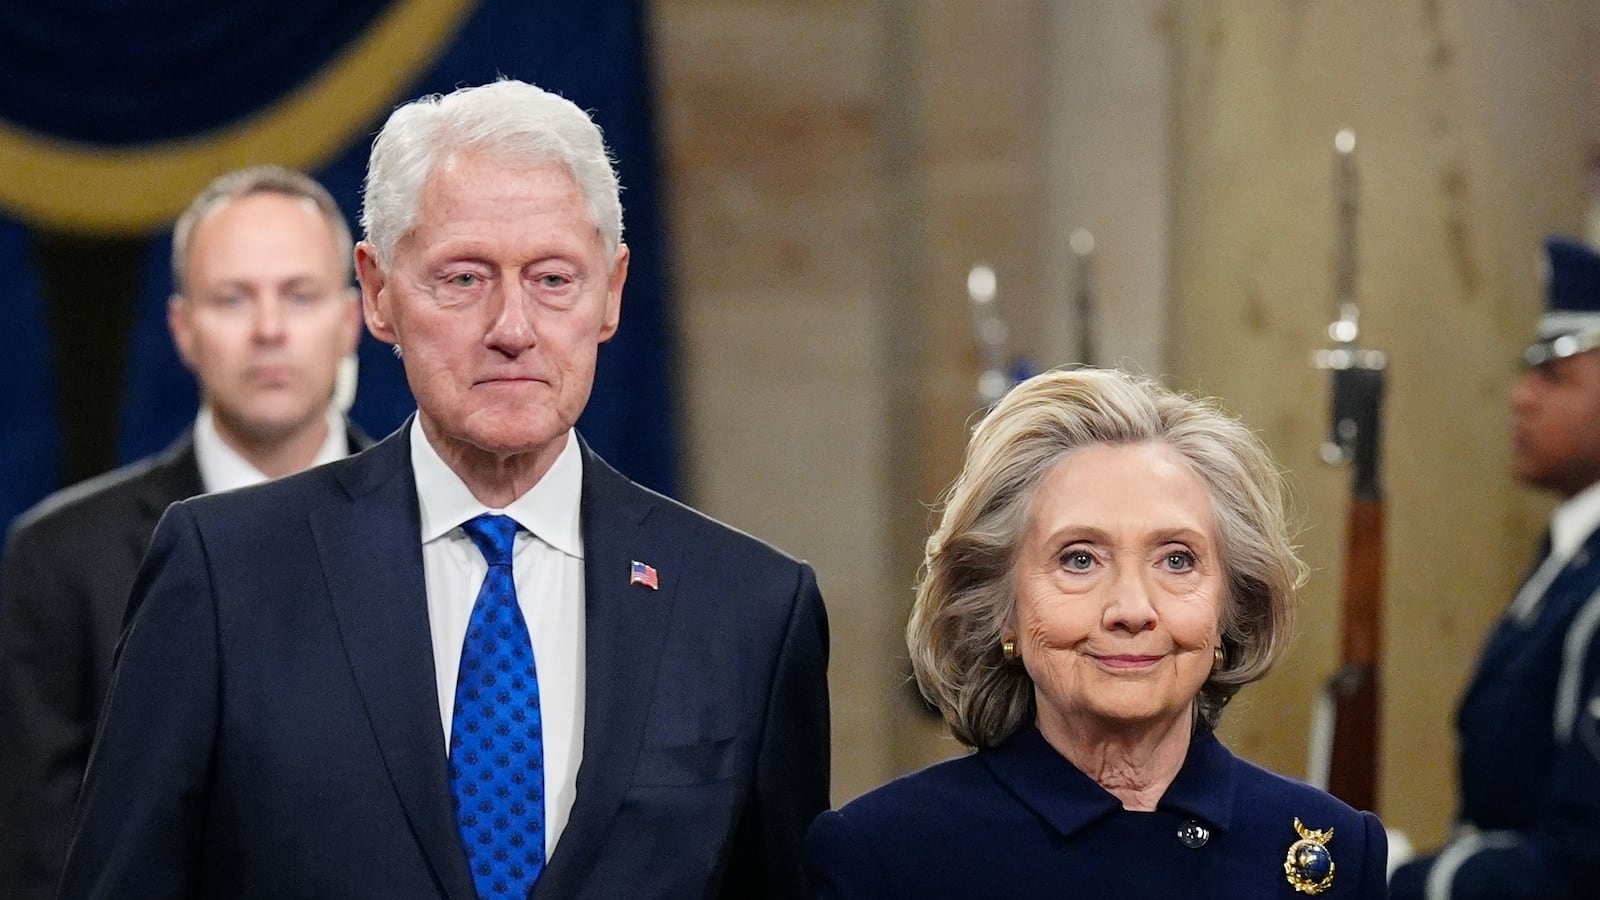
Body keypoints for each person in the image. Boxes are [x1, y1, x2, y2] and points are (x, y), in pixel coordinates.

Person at [56, 79, 830, 900]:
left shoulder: (749, 607)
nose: (512, 328)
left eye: (553, 279)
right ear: (378, 292)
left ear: (611, 291)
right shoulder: (225, 574)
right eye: (463, 278)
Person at [807, 367, 1388, 898]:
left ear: (1230, 607)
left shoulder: (1333, 851)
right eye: (1079, 559)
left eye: (1177, 560)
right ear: (1000, 607)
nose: (1132, 609)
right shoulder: (883, 858)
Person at [0, 164, 368, 900]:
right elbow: (39, 858)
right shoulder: (61, 559)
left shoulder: (434, 529)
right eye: (233, 298)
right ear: (183, 329)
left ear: (352, 321)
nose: (269, 329)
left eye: (299, 294)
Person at [1390, 236, 1600, 899]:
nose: (1521, 397)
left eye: (1555, 377)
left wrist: (1406, 879)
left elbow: (1579, 867)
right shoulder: (1568, 557)